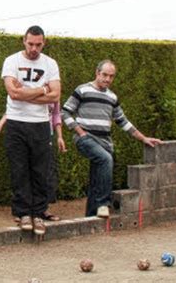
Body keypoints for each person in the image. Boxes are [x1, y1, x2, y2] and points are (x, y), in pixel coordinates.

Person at [61, 60, 162, 218]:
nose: (107, 79)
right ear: (97, 73)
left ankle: (90, 217)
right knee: (106, 159)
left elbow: (123, 121)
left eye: (111, 76)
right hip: (85, 138)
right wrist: (79, 131)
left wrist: (143, 138)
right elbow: (65, 112)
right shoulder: (82, 90)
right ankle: (103, 204)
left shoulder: (112, 97)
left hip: (104, 142)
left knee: (97, 178)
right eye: (104, 75)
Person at [0, 25, 61, 235]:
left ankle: (38, 213)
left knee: (40, 171)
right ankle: (23, 213)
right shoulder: (11, 61)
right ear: (23, 41)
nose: (34, 48)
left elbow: (55, 96)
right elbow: (12, 93)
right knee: (19, 170)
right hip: (16, 122)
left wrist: (26, 91)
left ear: (44, 43)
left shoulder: (50, 64)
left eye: (38, 44)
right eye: (30, 43)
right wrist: (43, 89)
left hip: (40, 124)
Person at [0, 101, 66, 222]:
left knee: (45, 175)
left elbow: (56, 115)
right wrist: (0, 123)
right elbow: (13, 110)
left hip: (46, 136)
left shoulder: (53, 91)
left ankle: (41, 210)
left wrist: (60, 137)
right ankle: (23, 211)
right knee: (22, 172)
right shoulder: (27, 88)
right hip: (25, 131)